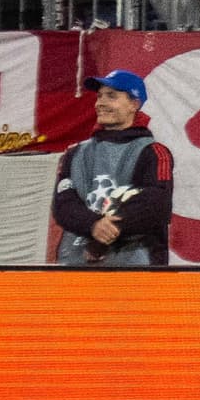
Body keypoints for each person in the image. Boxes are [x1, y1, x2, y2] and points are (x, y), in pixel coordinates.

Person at [51, 68, 177, 268]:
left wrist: (102, 237)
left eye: (111, 96)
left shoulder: (153, 152)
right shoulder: (75, 153)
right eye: (99, 96)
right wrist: (94, 225)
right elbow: (63, 205)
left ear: (134, 104)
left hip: (135, 271)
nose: (100, 103)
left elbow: (156, 204)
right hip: (74, 266)